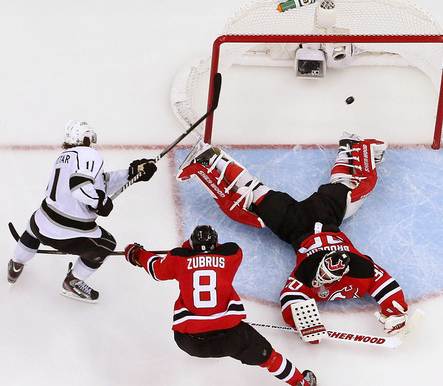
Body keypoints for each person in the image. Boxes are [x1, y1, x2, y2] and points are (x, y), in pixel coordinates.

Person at [175, 132, 409, 338]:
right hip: (319, 219)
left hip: (297, 224)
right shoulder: (333, 271)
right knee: (349, 188)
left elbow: (290, 298)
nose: (324, 279)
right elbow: (292, 299)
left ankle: (352, 147)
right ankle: (206, 161)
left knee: (255, 197)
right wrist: (395, 309)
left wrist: (396, 312)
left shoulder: (355, 269)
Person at [123, 225, 322, 386]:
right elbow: (222, 248)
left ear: (191, 245)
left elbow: (157, 269)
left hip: (190, 342)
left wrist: (137, 254)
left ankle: (208, 339)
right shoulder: (231, 255)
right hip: (232, 338)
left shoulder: (178, 259)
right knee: (270, 359)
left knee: (196, 323)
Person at [7, 119, 157, 303]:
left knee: (33, 228)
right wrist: (99, 202)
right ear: (87, 138)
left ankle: (16, 264)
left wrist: (131, 173)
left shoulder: (64, 157)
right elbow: (80, 187)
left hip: (41, 223)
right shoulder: (88, 154)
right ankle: (73, 282)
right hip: (66, 233)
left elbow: (99, 182)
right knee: (106, 244)